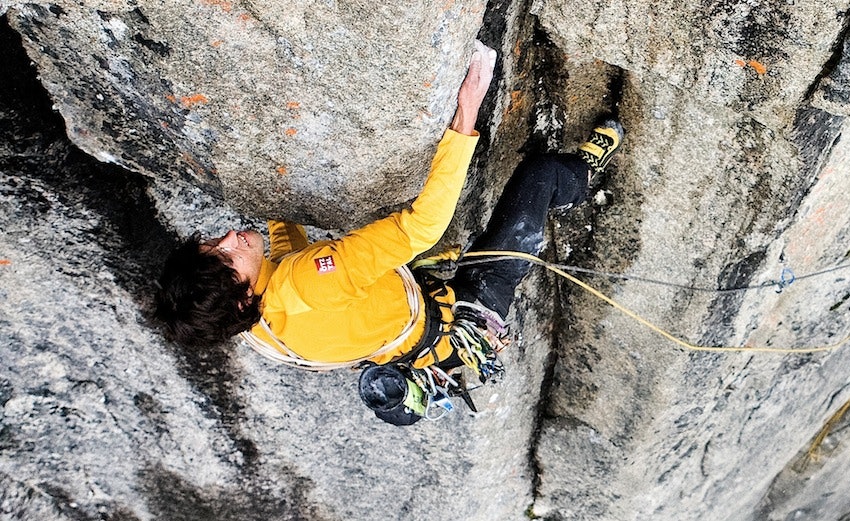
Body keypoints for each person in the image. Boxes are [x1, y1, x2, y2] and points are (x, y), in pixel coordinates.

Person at [153, 41, 626, 424]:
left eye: (213, 241)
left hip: (414, 336)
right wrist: (465, 117)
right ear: (239, 297)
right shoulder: (309, 282)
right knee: (540, 177)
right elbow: (421, 226)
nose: (231, 236)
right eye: (227, 253)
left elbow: (290, 264)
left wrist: (277, 203)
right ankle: (581, 174)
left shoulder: (247, 325)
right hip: (460, 313)